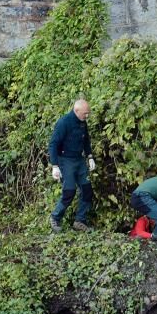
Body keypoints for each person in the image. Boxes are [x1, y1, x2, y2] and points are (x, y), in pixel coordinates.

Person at [48, 99, 95, 233]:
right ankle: (55, 217)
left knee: (87, 190)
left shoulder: (82, 122)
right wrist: (55, 165)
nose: (87, 116)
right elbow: (53, 144)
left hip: (79, 160)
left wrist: (90, 156)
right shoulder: (64, 123)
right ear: (76, 111)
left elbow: (86, 140)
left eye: (88, 113)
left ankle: (80, 220)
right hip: (65, 160)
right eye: (85, 113)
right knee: (69, 191)